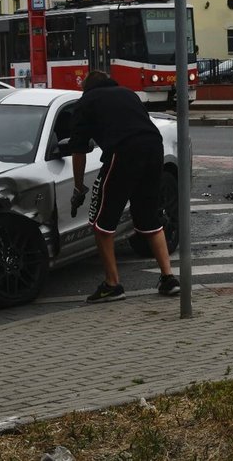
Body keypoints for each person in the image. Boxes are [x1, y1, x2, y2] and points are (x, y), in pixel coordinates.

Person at [69, 70, 180, 303]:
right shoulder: (128, 94)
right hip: (154, 149)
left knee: (101, 222)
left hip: (124, 152)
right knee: (148, 217)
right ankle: (168, 278)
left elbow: (78, 150)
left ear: (86, 88)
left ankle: (112, 284)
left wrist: (78, 187)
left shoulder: (85, 102)